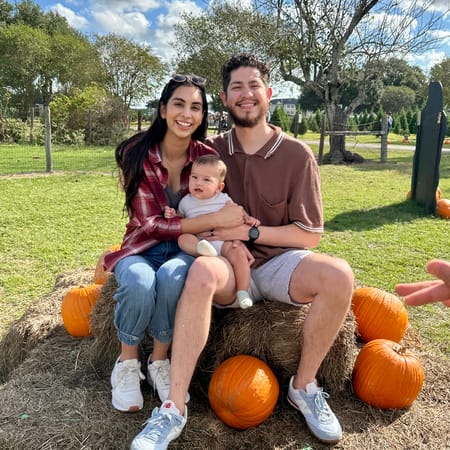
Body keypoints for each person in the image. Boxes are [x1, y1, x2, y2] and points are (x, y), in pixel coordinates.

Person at [129, 53, 354, 450]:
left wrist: (249, 232)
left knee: (339, 275)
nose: (246, 94)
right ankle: (173, 407)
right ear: (225, 97)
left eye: (254, 85)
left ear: (269, 92)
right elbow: (164, 165)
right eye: (236, 87)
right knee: (201, 271)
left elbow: (310, 235)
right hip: (225, 263)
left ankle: (304, 387)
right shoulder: (209, 151)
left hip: (280, 262)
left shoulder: (297, 155)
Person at [103, 74, 246, 422]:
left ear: (203, 116)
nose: (186, 113)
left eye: (196, 107)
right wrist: (216, 220)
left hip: (186, 249)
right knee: (139, 282)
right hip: (142, 246)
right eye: (179, 104)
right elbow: (151, 223)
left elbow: (220, 209)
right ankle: (127, 363)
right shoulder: (137, 153)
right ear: (164, 109)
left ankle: (159, 361)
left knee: (172, 278)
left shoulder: (206, 158)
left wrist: (231, 230)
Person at [164, 154, 260, 309]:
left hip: (223, 243)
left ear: (219, 187)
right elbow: (180, 219)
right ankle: (201, 250)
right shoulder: (186, 201)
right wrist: (173, 214)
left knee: (239, 255)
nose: (198, 183)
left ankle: (243, 292)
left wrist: (248, 218)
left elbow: (238, 211)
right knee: (183, 238)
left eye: (206, 180)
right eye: (194, 177)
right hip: (200, 241)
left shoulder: (223, 199)